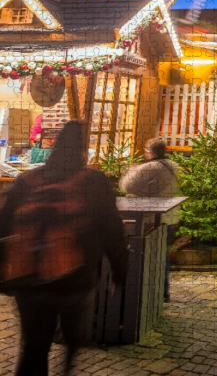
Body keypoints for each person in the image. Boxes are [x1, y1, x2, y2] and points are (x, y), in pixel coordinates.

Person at [0, 121, 128, 376]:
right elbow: (111, 228)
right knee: (73, 334)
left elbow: (4, 224)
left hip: (28, 276)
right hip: (74, 277)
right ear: (81, 150)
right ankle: (68, 362)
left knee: (33, 346)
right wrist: (119, 268)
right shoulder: (92, 181)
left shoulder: (28, 180)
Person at [120, 138, 179, 302]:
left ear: (149, 151)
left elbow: (126, 186)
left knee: (150, 254)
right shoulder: (173, 165)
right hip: (171, 216)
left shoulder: (149, 167)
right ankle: (163, 290)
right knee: (161, 253)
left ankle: (149, 292)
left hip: (151, 217)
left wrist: (131, 171)